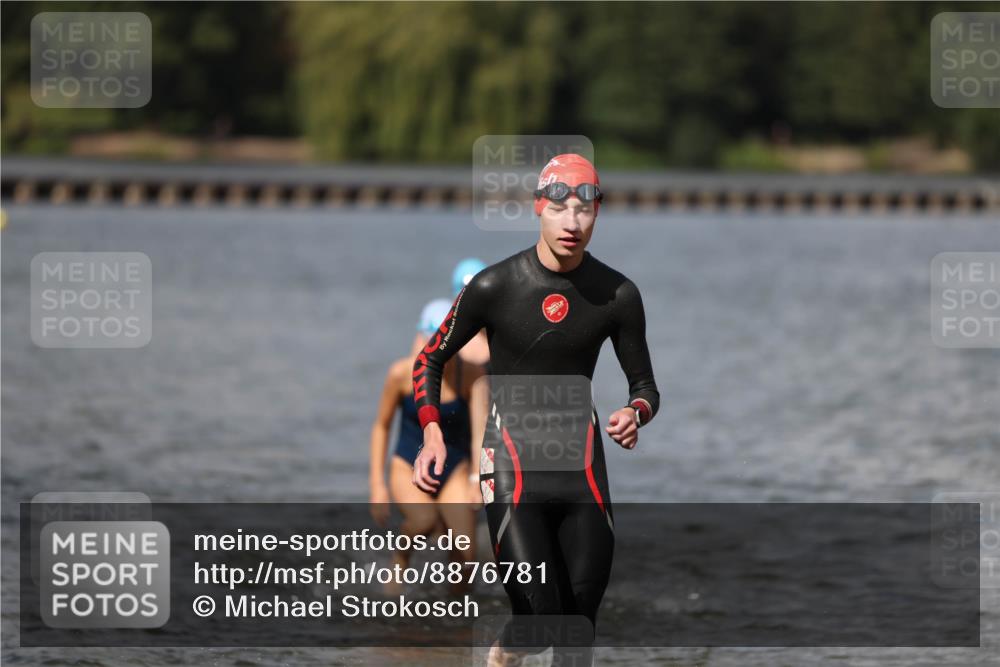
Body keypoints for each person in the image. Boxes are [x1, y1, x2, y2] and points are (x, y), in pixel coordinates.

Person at [411, 154, 660, 665]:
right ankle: (503, 656)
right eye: (560, 209)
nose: (572, 224)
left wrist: (635, 412)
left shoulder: (618, 295)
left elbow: (646, 387)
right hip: (511, 466)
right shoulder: (493, 287)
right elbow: (429, 359)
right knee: (541, 617)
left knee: (579, 624)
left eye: (585, 212)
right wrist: (432, 432)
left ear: (598, 214)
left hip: (583, 472)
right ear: (538, 208)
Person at [369, 298, 487, 591]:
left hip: (455, 467)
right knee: (423, 521)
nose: (442, 352)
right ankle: (401, 556)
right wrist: (377, 485)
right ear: (423, 338)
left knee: (465, 561)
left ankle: (455, 622)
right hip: (407, 462)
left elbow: (482, 431)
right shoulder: (402, 375)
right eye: (435, 343)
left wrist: (477, 479)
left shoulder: (471, 375)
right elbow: (381, 426)